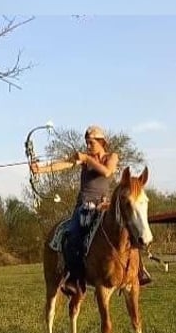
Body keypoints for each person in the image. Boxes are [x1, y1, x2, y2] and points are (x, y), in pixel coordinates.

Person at [31, 124, 153, 296]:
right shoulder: (85, 159)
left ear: (101, 142)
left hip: (104, 206)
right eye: (87, 143)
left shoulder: (111, 156)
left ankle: (138, 271)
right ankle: (74, 278)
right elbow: (63, 164)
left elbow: (107, 172)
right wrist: (41, 169)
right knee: (74, 235)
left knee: (129, 232)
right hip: (84, 207)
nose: (88, 146)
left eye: (91, 143)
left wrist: (88, 159)